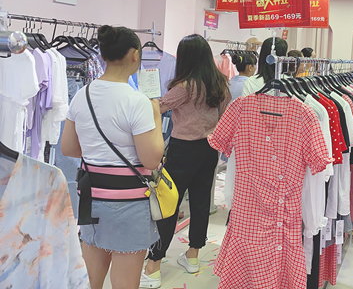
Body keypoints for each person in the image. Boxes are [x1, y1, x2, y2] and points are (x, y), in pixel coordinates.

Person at [61, 26, 165, 289]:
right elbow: (151, 160)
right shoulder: (137, 101)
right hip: (129, 202)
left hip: (91, 197)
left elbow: (68, 148)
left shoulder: (83, 95)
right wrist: (156, 116)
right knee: (125, 283)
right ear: (134, 55)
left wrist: (99, 153)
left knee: (90, 280)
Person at [141, 35, 231, 288]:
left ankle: (154, 266)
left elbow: (158, 107)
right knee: (201, 203)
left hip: (183, 150)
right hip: (209, 148)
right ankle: (193, 256)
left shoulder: (186, 85)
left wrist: (149, 96)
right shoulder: (220, 82)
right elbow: (224, 115)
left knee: (168, 203)